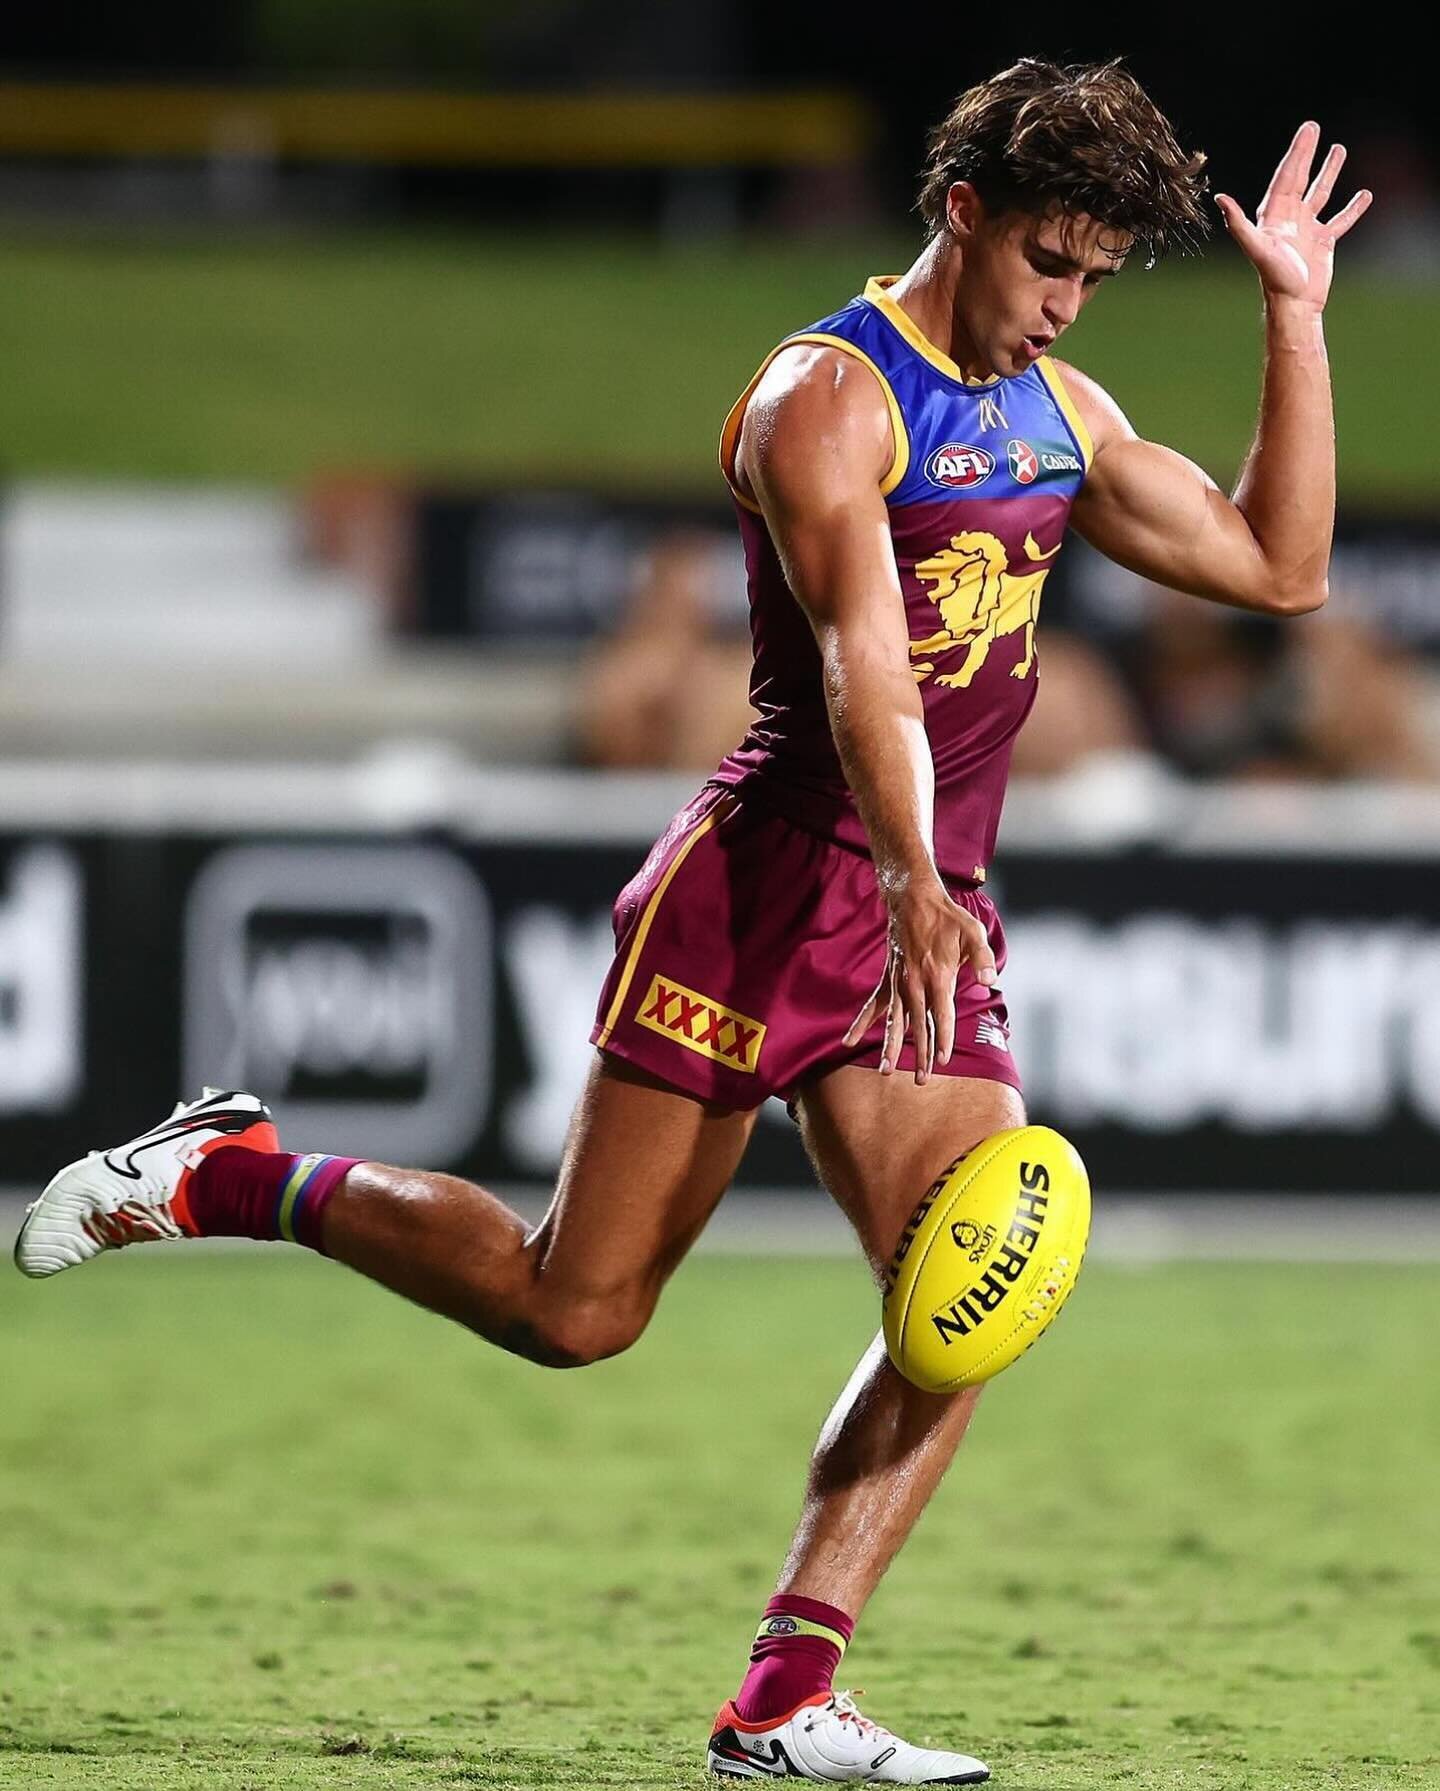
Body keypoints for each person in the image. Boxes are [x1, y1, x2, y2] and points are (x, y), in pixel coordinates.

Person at [15, 60, 1369, 1785]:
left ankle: (786, 1698)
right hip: (767, 889)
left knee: (972, 1285)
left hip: (920, 906)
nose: (1063, 305)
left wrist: (1299, 321)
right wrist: (907, 871)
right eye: (1048, 261)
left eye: (1093, 278)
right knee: (573, 1311)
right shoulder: (829, 398)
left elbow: (1281, 569)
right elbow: (865, 657)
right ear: (960, 212)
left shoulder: (1064, 416)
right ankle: (233, 1174)